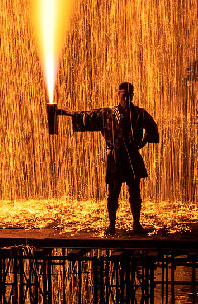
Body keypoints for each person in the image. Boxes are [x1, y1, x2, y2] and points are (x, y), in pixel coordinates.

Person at [57, 81, 159, 235]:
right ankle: (112, 226)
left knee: (135, 192)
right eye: (122, 94)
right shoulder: (108, 114)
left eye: (127, 94)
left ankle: (136, 224)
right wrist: (67, 113)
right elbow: (87, 116)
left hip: (132, 156)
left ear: (132, 96)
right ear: (119, 94)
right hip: (115, 157)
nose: (125, 97)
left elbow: (152, 129)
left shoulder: (139, 114)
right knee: (113, 193)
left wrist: (141, 143)